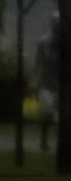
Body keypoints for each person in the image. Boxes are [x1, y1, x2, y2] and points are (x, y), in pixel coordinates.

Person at [32, 13, 61, 152]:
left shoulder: (66, 44)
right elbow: (37, 63)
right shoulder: (43, 43)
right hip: (47, 84)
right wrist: (33, 81)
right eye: (56, 26)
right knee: (47, 113)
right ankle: (44, 139)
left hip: (63, 85)